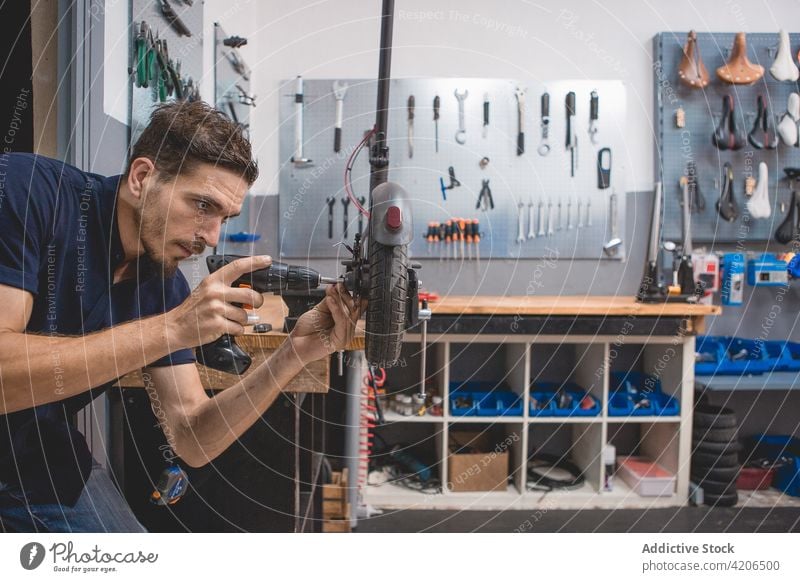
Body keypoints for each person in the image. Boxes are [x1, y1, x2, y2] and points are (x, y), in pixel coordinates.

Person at [0, 101, 363, 532]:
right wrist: (172, 329)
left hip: (36, 455)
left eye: (223, 218)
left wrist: (294, 353)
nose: (211, 238)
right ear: (142, 178)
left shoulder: (163, 284)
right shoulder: (27, 193)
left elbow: (192, 437)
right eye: (202, 205)